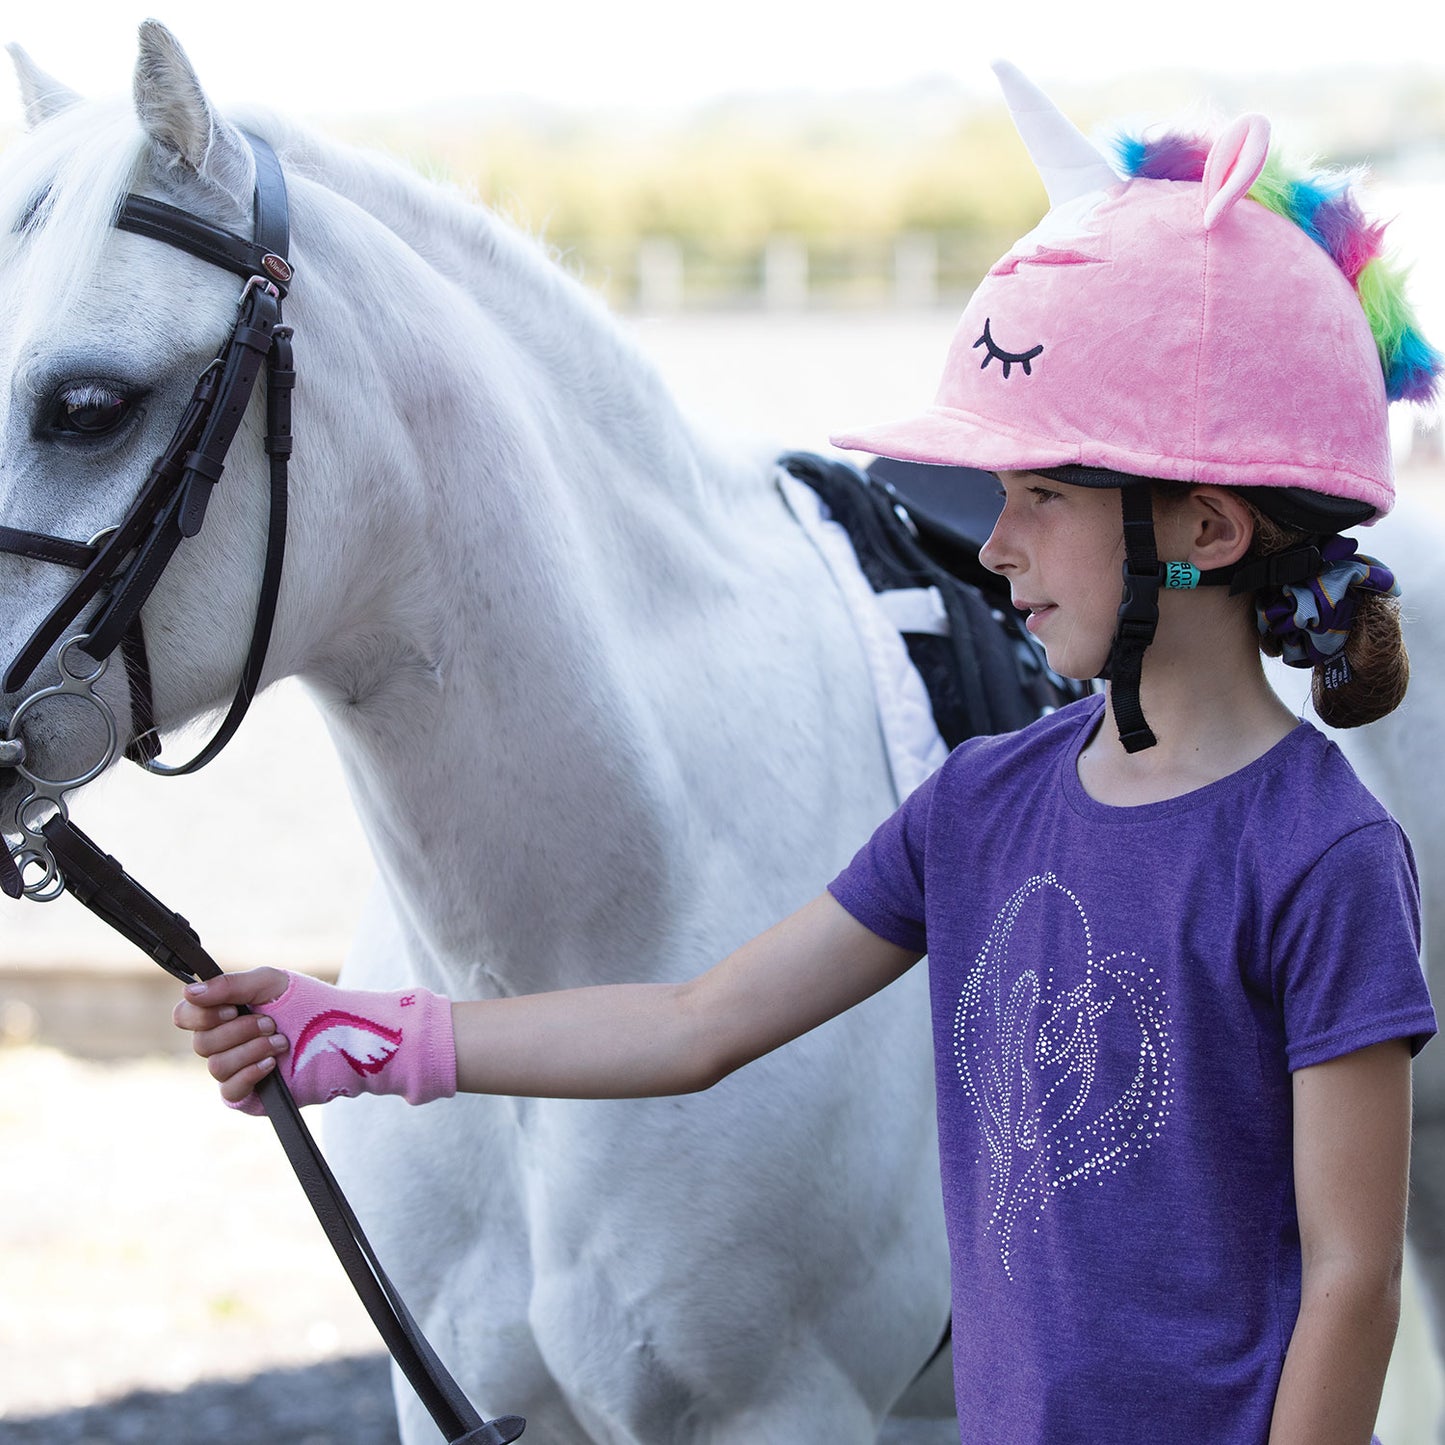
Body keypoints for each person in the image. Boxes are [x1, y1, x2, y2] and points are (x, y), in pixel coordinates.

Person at [175, 64, 1440, 1445]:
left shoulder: (1321, 853)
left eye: (1041, 496)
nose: (992, 542)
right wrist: (359, 1035)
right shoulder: (980, 801)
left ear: (1202, 530)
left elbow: (1352, 1271)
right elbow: (693, 1023)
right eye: (996, 495)